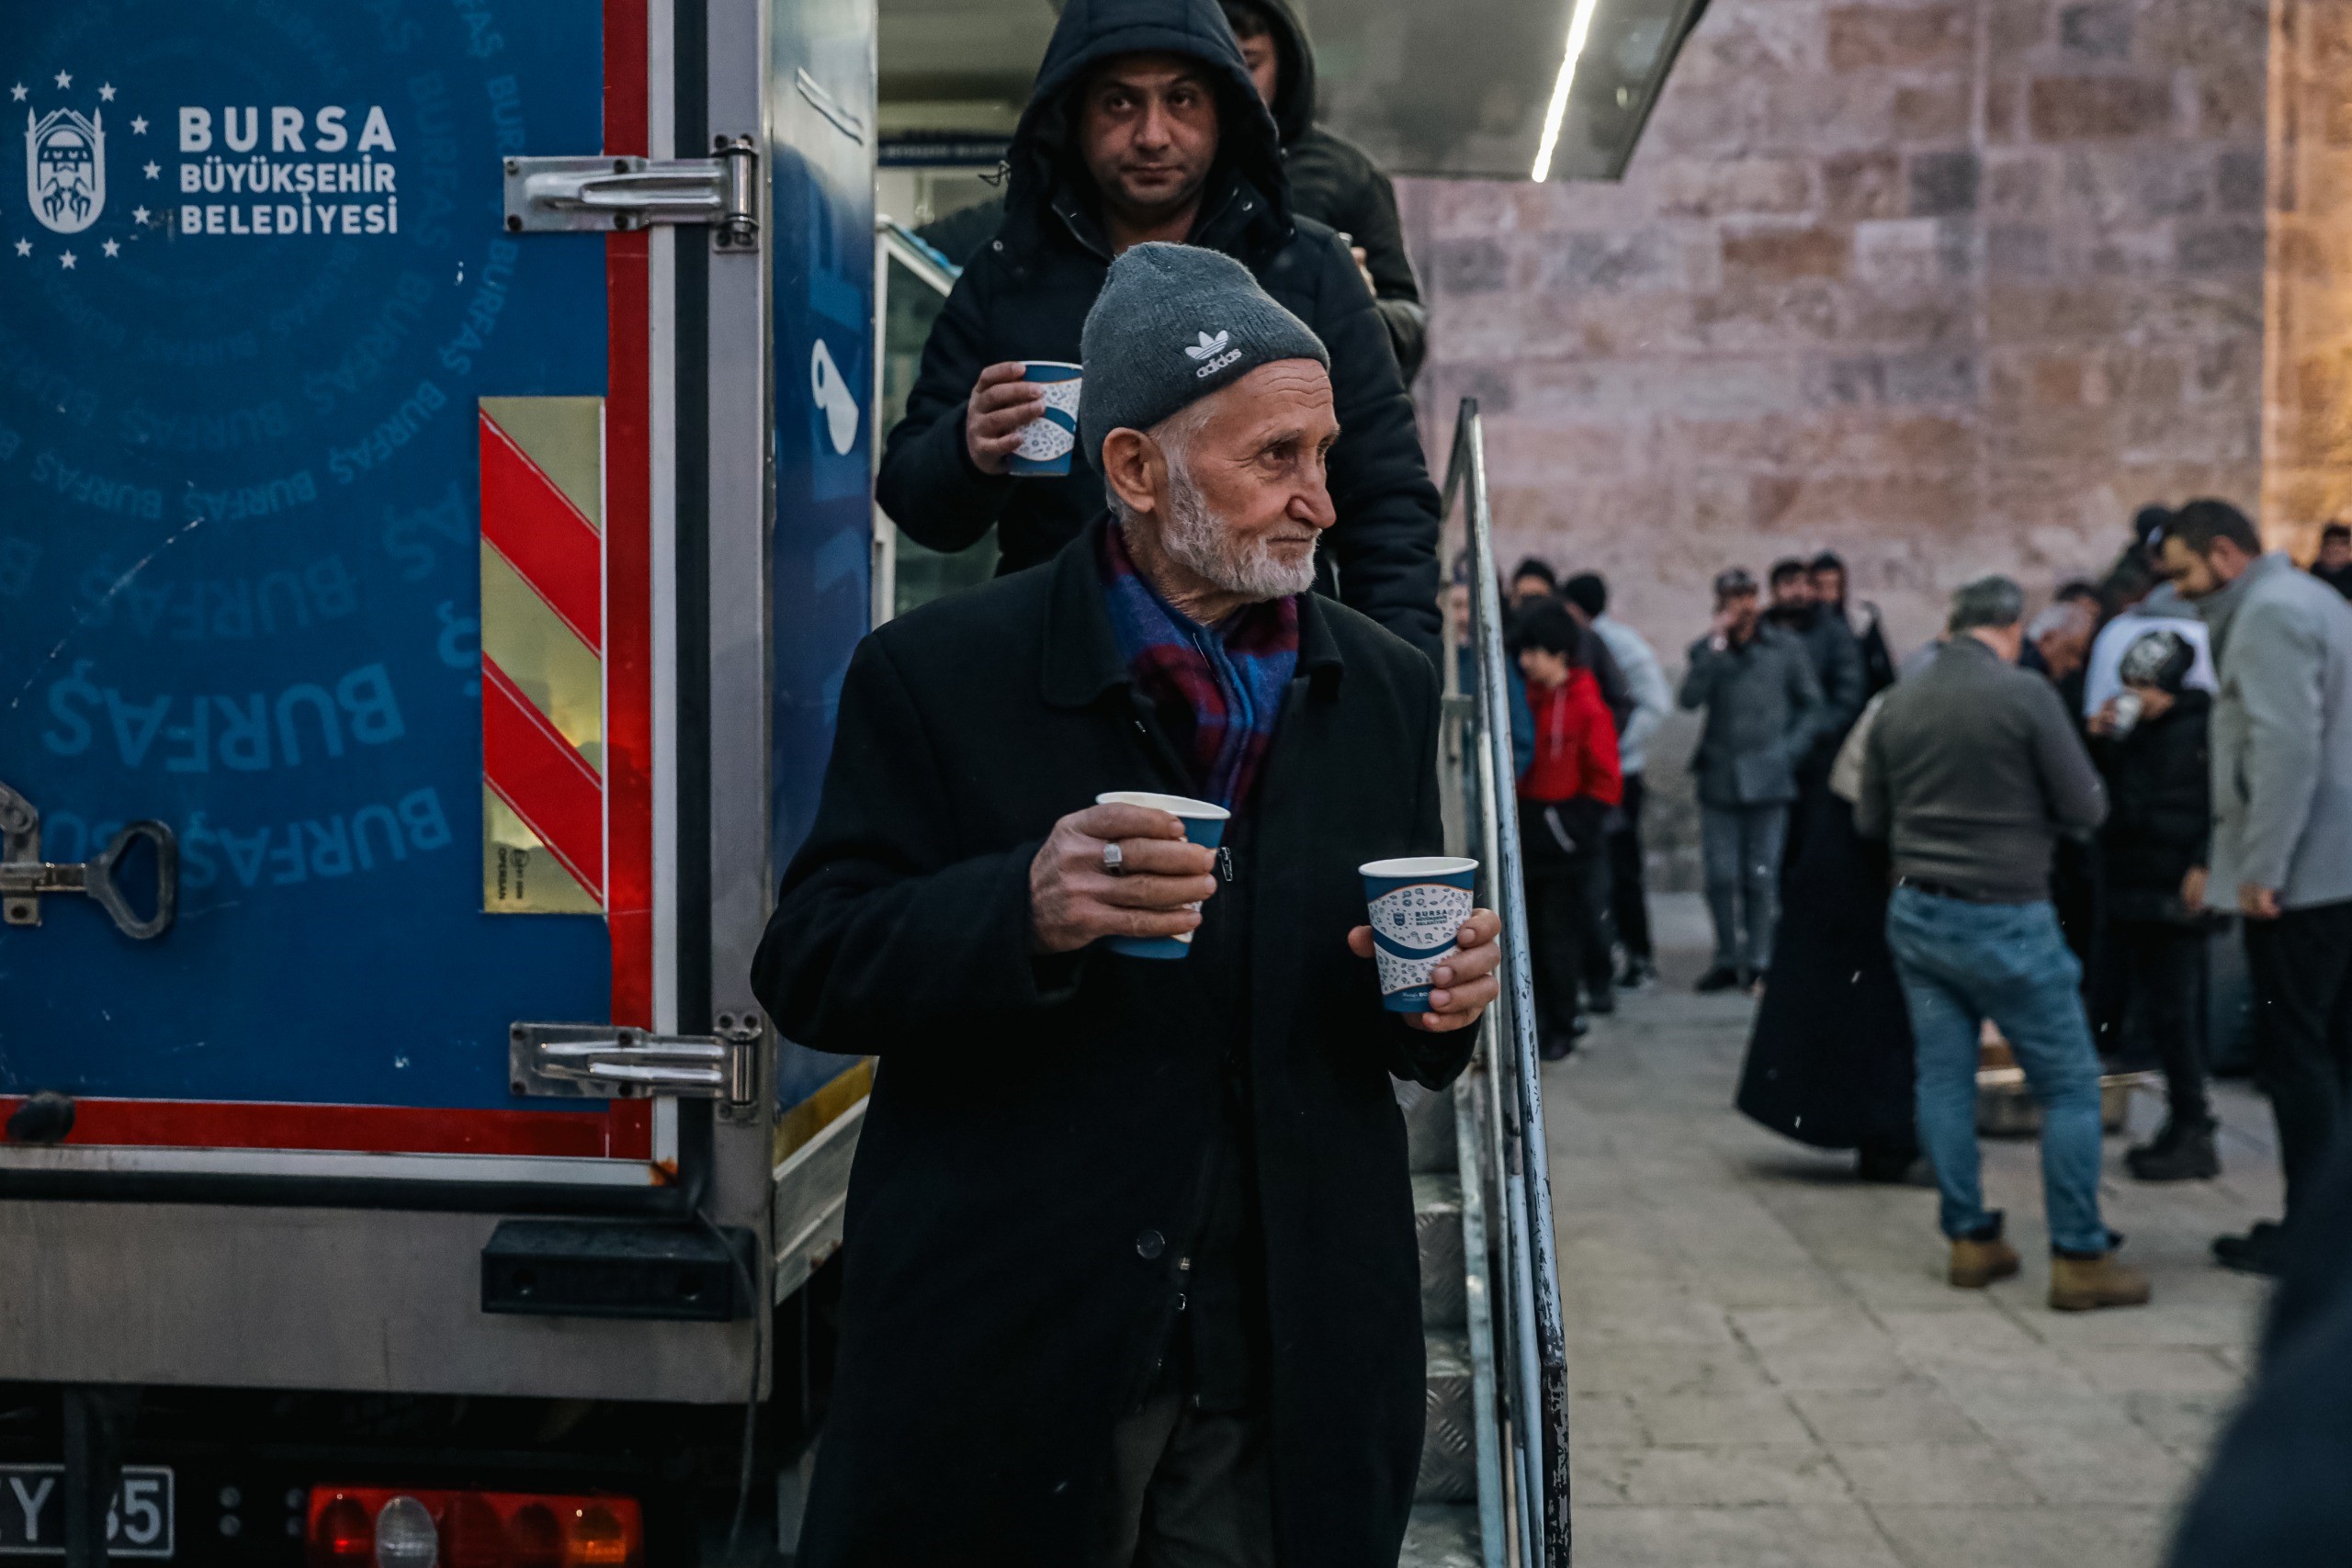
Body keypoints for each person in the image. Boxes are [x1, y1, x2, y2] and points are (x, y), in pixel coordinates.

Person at [753, 244, 1501, 1565]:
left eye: (1324, 455)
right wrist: (1023, 908)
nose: (1320, 501)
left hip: (1281, 1361)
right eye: (1275, 457)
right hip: (1018, 1353)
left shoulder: (1376, 688)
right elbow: (810, 964)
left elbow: (1393, 1024)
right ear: (1138, 470)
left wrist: (1442, 1004)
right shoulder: (941, 674)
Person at [875, 0, 1443, 660]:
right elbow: (914, 503)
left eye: (1182, 99)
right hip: (1061, 674)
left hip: (1278, 676)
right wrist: (967, 448)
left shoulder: (1309, 267)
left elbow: (1387, 501)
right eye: (1119, 102)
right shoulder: (1009, 274)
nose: (1152, 134)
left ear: (1225, 111)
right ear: (1073, 114)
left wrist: (1399, 682)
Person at [1855, 575, 2150, 1312]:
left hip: (1918, 911)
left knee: (1943, 1078)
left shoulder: (1900, 699)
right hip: (2008, 911)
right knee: (2069, 1086)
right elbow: (2086, 805)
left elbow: (1869, 819)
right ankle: (2079, 1253)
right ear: (2013, 628)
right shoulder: (2025, 696)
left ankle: (1969, 1238)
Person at [2157, 499, 2352, 1277]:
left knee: (2297, 1056)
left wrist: (2262, 867)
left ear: (2225, 553)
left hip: (2305, 874)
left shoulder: (2270, 613)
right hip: (2335, 865)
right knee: (2332, 1052)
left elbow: (2284, 748)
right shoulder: (2314, 598)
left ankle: (2314, 1235)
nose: (2179, 591)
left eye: (2184, 573)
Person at [1738, 683, 1920, 1182]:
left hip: (1846, 864)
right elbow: (1879, 812)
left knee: (1850, 1008)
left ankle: (1875, 1133)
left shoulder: (1899, 701)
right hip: (1859, 869)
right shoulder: (1913, 707)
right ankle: (1885, 1140)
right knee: (1870, 1013)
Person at [1217, 0, 1427, 381]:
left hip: (1321, 399)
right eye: (1219, 64)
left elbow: (1410, 328)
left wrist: (1358, 306)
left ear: (1284, 66)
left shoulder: (1346, 174)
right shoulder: (1169, 174)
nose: (1234, 81)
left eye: (1248, 64)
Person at [2086, 628, 2218, 1180]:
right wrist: (2100, 742)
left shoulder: (2202, 729)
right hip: (2134, 884)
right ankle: (2185, 1122)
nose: (2136, 696)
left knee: (2175, 1013)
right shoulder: (2137, 731)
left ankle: (2193, 1125)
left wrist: (2206, 863)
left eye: (2145, 686)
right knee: (2157, 1012)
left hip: (2174, 889)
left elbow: (2218, 803)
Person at [1679, 568, 1823, 992]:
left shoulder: (1786, 648)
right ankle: (1727, 957)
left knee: (1761, 875)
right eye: (1732, 597)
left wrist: (1788, 751)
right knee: (1721, 875)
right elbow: (1689, 699)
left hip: (1769, 776)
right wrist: (1717, 643)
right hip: (1720, 776)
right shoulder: (1708, 649)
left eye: (1747, 596)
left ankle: (1760, 959)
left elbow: (1812, 706)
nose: (1742, 605)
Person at [1511, 598, 1623, 1056]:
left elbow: (1606, 780)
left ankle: (1562, 1023)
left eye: (1532, 651)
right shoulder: (1528, 697)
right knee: (1533, 940)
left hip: (1566, 845)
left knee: (1559, 940)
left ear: (1557, 653)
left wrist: (1569, 827)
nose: (1524, 661)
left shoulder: (1587, 705)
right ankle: (1540, 1025)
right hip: (1532, 837)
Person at [1562, 570, 1670, 988]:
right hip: (1603, 769)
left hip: (1621, 772)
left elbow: (1655, 704)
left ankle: (1638, 956)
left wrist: (1610, 747)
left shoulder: (1617, 643)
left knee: (1622, 868)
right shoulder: (1595, 638)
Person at [1765, 557, 1864, 877]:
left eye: (1803, 584)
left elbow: (1847, 695)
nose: (1798, 593)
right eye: (1788, 585)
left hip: (1817, 756)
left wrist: (1810, 734)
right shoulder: (1762, 630)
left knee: (1811, 843)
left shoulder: (1833, 633)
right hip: (1769, 754)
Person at [1812, 549, 1894, 696]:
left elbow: (1882, 673)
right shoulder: (1806, 627)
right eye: (1821, 587)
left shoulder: (1860, 623)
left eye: (1833, 586)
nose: (1828, 595)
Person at [2311, 521, 2352, 599]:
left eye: (2341, 543)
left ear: (2349, 549)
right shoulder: (2310, 579)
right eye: (2329, 543)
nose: (2334, 548)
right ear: (2321, 548)